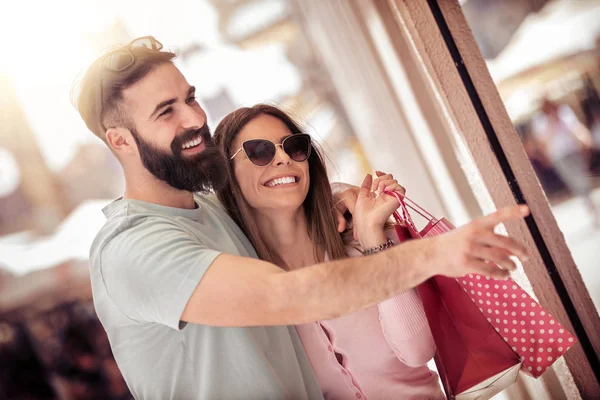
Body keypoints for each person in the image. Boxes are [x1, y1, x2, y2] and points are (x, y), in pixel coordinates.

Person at [73, 36, 529, 399]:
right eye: (166, 111)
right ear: (120, 141)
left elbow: (273, 195)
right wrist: (433, 254)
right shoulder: (134, 248)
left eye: (190, 98)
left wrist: (341, 198)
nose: (194, 118)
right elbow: (281, 295)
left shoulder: (211, 212)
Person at [213, 104, 445, 399]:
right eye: (260, 151)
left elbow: (418, 351)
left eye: (295, 147)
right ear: (227, 172)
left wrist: (374, 240)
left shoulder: (364, 242)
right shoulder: (245, 286)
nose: (284, 158)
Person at [531, 98, 599, 226]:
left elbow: (575, 128)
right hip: (559, 156)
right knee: (573, 181)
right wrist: (552, 123)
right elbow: (543, 142)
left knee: (583, 177)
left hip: (572, 150)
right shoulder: (540, 121)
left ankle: (592, 202)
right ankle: (589, 206)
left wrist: (585, 140)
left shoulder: (563, 111)